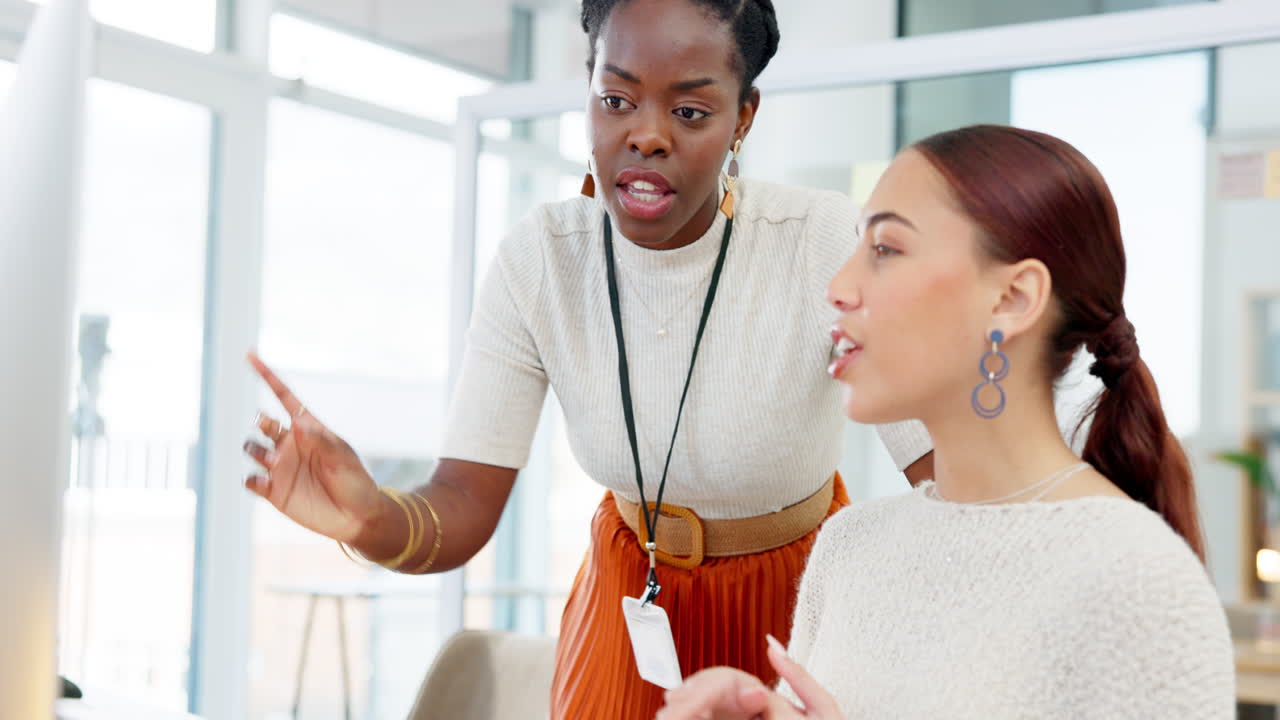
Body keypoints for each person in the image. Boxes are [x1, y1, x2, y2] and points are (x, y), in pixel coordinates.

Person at [241, 0, 932, 717]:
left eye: (691, 113)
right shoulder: (541, 259)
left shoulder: (819, 241)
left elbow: (947, 479)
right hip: (627, 604)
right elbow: (461, 510)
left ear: (744, 117)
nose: (647, 136)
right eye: (616, 100)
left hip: (796, 606)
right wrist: (368, 517)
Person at [657, 125, 1236, 719]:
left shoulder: (1138, 580)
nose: (838, 288)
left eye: (885, 249)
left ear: (1012, 299)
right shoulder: (850, 547)